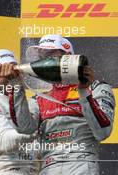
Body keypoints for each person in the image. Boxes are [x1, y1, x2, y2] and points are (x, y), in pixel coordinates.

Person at [10, 34, 116, 174]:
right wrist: (16, 85)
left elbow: (103, 132)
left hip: (81, 164)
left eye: (50, 56)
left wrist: (84, 91)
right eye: (42, 57)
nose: (44, 63)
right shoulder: (40, 99)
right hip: (48, 168)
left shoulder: (96, 88)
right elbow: (24, 128)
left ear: (67, 57)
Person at [0, 49, 40, 175]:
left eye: (13, 71)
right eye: (2, 73)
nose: (9, 77)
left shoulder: (33, 103)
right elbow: (5, 142)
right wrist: (34, 133)